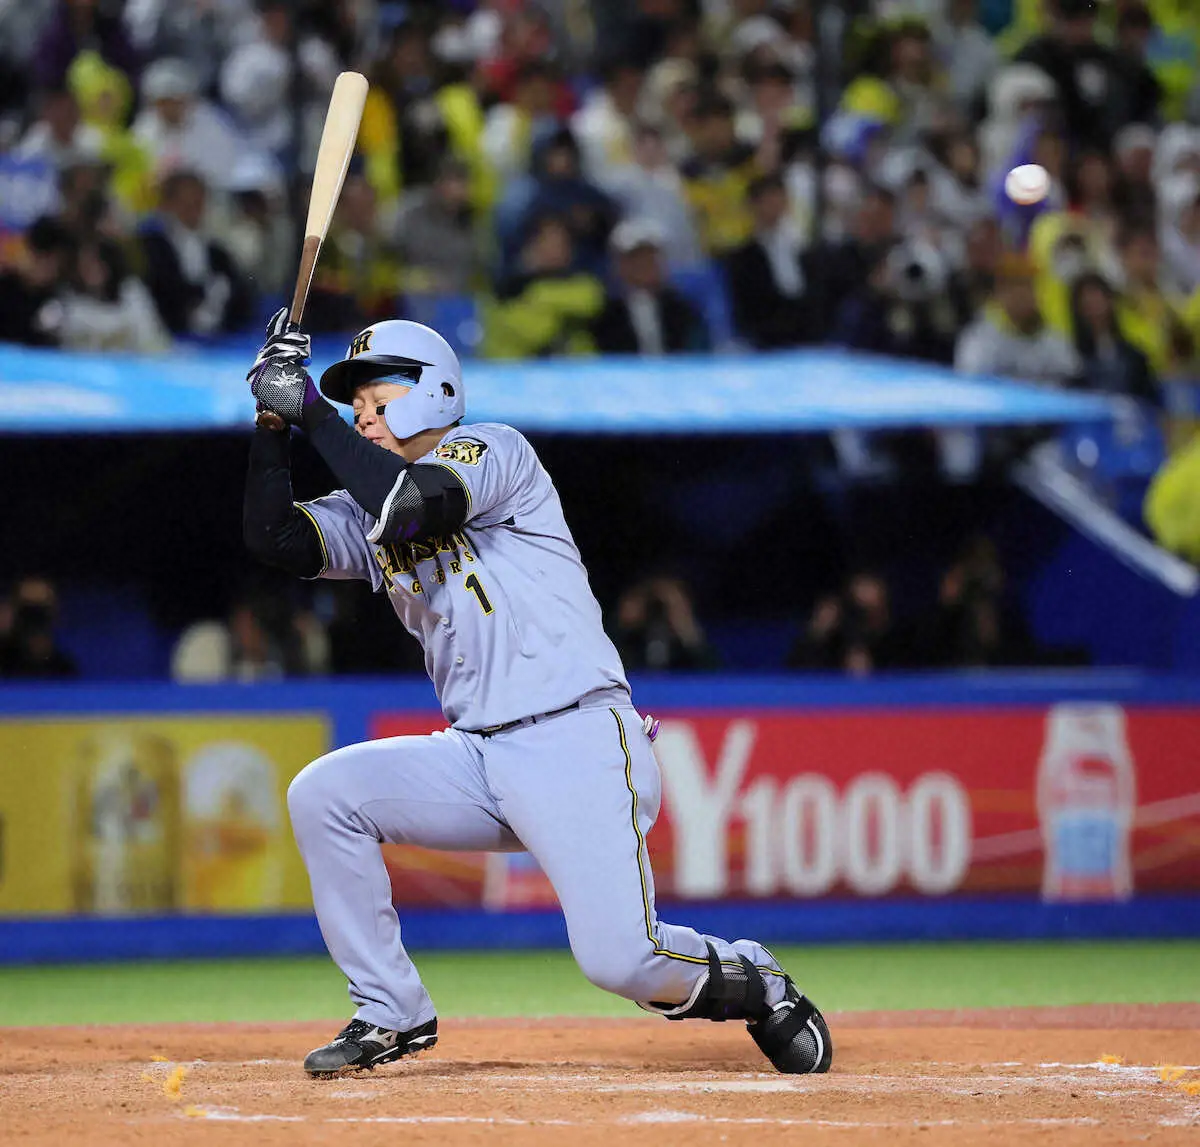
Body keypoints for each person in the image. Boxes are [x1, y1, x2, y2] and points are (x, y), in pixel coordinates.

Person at [243, 307, 832, 1078]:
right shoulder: (365, 504)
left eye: (376, 401)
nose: (364, 416)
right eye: (355, 407)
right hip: (475, 755)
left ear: (433, 391)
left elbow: (416, 503)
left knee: (622, 959)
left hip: (576, 738)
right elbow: (275, 538)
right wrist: (270, 425)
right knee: (325, 793)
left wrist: (311, 411)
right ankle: (390, 1009)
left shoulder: (493, 449)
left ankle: (757, 980)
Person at [139, 169, 256, 336]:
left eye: (198, 202)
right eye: (185, 203)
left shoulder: (216, 252)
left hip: (219, 339)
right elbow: (162, 291)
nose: (193, 210)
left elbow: (240, 296)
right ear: (168, 204)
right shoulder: (151, 247)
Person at [591, 220, 708, 356]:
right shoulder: (604, 313)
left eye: (650, 257)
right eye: (635, 258)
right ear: (619, 265)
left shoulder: (683, 308)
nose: (644, 265)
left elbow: (698, 353)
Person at [726, 172, 815, 349]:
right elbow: (746, 310)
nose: (775, 205)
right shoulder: (742, 258)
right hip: (766, 341)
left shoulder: (804, 250)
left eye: (779, 198)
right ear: (753, 205)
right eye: (768, 200)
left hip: (807, 338)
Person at [612, 574, 718, 671]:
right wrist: (624, 626)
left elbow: (716, 677)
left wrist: (686, 629)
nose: (657, 609)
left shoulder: (687, 651)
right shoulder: (630, 643)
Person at [0, 215, 71, 346]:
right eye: (41, 260)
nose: (47, 270)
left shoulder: (56, 301)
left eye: (54, 264)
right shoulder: (4, 288)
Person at [0, 577, 77, 679]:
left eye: (41, 613)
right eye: (27, 612)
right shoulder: (5, 663)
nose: (34, 621)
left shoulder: (63, 668)